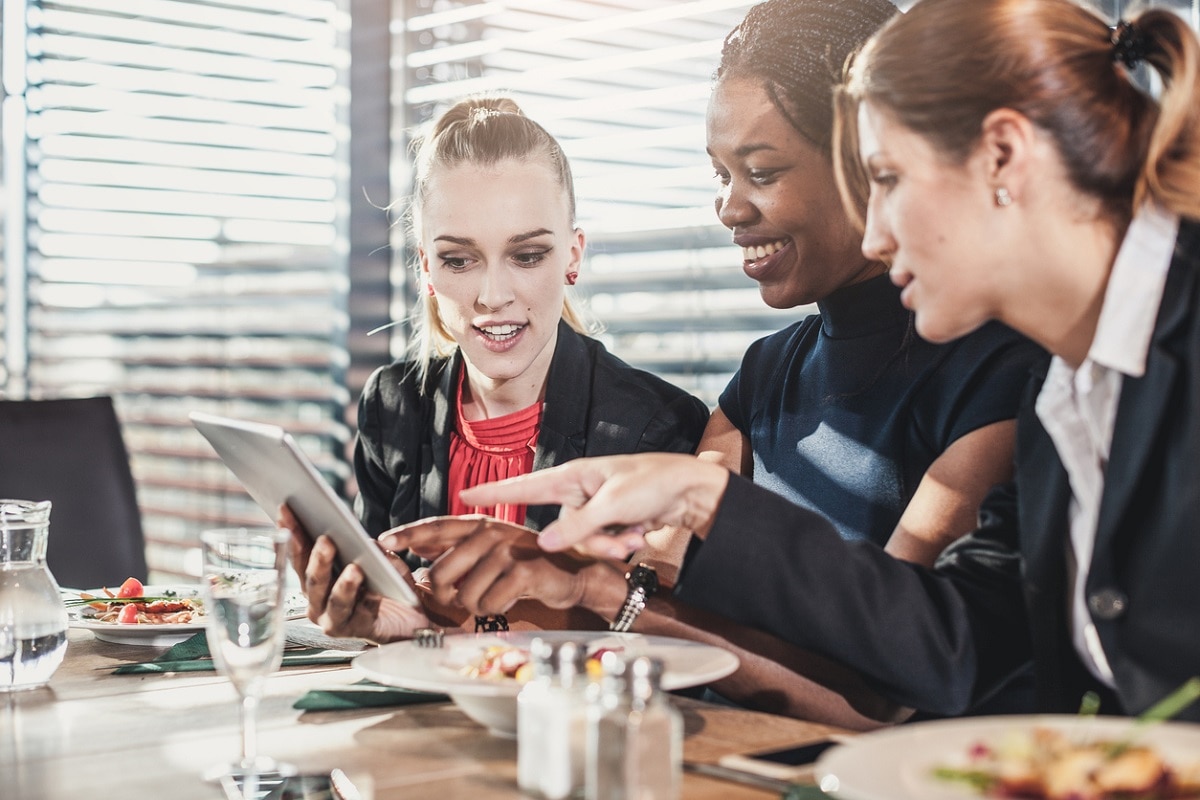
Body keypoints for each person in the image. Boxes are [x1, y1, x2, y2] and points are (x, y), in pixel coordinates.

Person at [437, 0, 1200, 721]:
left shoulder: (1079, 366)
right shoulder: (1068, 392)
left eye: (889, 179)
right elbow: (956, 641)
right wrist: (666, 527)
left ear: (1003, 155)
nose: (876, 234)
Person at [641, 0, 1043, 574]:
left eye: (762, 172)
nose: (729, 209)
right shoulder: (763, 375)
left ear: (868, 160)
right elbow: (660, 575)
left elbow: (898, 638)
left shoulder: (992, 375)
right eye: (721, 175)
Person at [288, 94, 709, 639]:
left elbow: (669, 639)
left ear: (573, 256)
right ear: (427, 270)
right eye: (459, 260)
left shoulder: (657, 426)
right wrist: (365, 613)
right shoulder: (392, 405)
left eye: (527, 256)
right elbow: (380, 602)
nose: (492, 296)